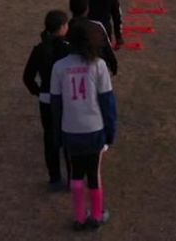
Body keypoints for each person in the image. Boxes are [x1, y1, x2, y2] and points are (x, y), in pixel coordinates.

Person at [50, 19, 118, 231]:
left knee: (77, 173)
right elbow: (107, 102)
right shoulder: (98, 65)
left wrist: (57, 134)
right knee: (93, 174)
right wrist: (110, 131)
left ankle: (80, 217)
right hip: (94, 129)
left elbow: (56, 104)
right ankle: (96, 215)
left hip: (70, 129)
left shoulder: (59, 67)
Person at [22, 10, 70, 189]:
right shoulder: (67, 48)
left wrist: (39, 91)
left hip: (46, 99)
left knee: (50, 138)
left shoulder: (40, 49)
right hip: (65, 99)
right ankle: (72, 177)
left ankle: (55, 178)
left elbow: (27, 77)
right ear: (63, 27)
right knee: (67, 137)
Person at [69, 0, 118, 76]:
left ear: (71, 9)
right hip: (94, 69)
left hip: (71, 71)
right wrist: (113, 66)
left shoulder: (66, 28)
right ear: (87, 9)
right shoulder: (97, 26)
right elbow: (107, 49)